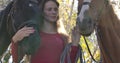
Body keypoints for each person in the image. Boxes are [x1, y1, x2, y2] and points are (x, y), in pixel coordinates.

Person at [11, 0, 81, 63]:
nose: (53, 12)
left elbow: (69, 61)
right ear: (42, 13)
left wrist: (75, 44)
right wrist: (15, 40)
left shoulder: (63, 37)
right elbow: (16, 60)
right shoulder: (33, 34)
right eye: (49, 9)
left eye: (55, 9)